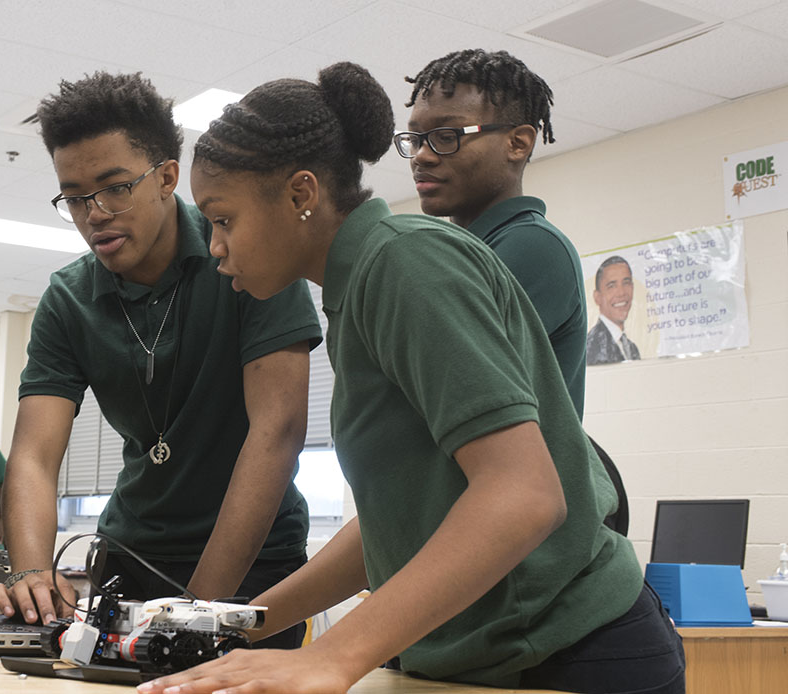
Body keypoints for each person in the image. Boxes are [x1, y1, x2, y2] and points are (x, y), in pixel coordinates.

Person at [140, 62, 684, 694]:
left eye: (224, 219)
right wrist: (236, 621)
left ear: (300, 195)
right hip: (488, 650)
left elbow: (524, 495)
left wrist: (333, 657)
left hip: (572, 649)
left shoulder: (403, 263)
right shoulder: (359, 285)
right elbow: (399, 523)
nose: (214, 246)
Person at [0, 72, 322, 650]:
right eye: (73, 196)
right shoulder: (68, 299)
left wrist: (197, 610)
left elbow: (278, 433)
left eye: (114, 187)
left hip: (254, 563)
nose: (94, 213)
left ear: (167, 176)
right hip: (131, 556)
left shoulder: (252, 260)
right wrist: (29, 573)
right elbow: (34, 457)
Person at [399, 48, 587, 419]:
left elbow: (443, 385)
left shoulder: (532, 246)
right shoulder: (462, 252)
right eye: (417, 139)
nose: (422, 156)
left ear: (518, 143)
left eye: (447, 135)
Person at [587, 255, 641, 365]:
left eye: (626, 283)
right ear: (597, 297)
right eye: (611, 286)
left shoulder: (632, 347)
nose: (621, 293)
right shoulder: (592, 346)